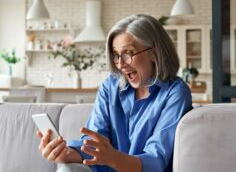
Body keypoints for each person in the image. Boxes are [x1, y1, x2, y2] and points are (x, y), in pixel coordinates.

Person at [37, 14, 192, 172]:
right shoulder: (110, 87)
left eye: (128, 53)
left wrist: (112, 157)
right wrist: (66, 153)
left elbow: (155, 161)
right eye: (116, 55)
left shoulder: (176, 93)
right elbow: (94, 144)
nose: (120, 64)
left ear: (154, 53)